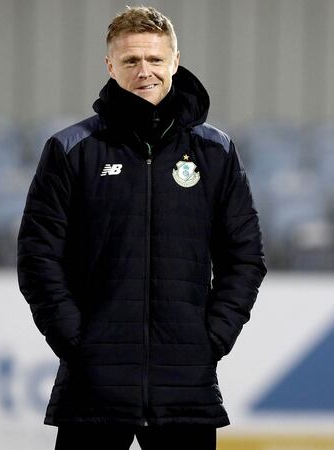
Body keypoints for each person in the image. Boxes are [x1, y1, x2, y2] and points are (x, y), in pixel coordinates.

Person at [17, 6, 266, 450]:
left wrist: (211, 338)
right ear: (110, 66)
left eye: (155, 59)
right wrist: (77, 341)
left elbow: (244, 257)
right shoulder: (71, 149)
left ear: (175, 61)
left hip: (185, 385)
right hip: (93, 384)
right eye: (130, 60)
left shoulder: (215, 151)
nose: (144, 71)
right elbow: (38, 257)